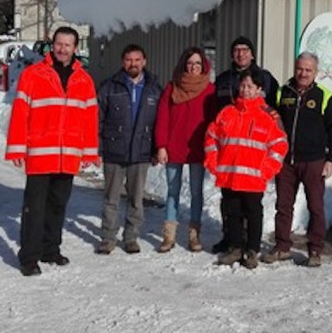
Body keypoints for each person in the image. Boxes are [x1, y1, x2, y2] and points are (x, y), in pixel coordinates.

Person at [5, 26, 98, 276]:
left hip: (68, 156)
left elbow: (90, 119)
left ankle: (50, 249)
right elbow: (20, 113)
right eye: (59, 44)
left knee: (58, 205)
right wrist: (16, 148)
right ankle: (29, 257)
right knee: (34, 207)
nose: (62, 49)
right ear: (52, 44)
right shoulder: (34, 74)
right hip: (39, 153)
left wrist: (89, 152)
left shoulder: (84, 80)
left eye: (68, 45)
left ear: (75, 48)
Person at [262, 52, 332, 268]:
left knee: (315, 206)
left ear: (315, 72)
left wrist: (330, 159)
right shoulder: (282, 92)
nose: (303, 73)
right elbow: (271, 122)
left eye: (308, 70)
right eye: (300, 68)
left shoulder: (324, 96)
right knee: (283, 206)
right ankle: (282, 247)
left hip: (314, 161)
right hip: (286, 161)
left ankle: (315, 250)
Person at [204, 68, 288, 269]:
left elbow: (280, 145)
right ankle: (234, 248)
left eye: (251, 86)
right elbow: (211, 138)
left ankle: (252, 250)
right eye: (243, 85)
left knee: (253, 214)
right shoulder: (227, 112)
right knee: (231, 213)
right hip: (229, 176)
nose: (246, 90)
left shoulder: (268, 116)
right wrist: (214, 163)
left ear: (259, 89)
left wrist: (266, 170)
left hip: (253, 179)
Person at [212, 35, 279, 253]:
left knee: (251, 206)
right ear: (232, 54)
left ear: (252, 53)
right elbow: (213, 116)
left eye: (245, 49)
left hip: (253, 151)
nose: (241, 53)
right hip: (229, 153)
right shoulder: (223, 79)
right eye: (237, 49)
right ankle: (231, 240)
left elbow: (275, 109)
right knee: (229, 204)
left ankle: (251, 246)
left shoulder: (266, 78)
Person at [96, 44, 162, 255]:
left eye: (137, 60)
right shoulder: (109, 87)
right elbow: (97, 119)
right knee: (111, 199)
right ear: (122, 62)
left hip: (141, 152)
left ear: (144, 61)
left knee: (136, 199)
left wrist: (156, 148)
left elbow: (159, 123)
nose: (133, 64)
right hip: (114, 150)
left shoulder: (154, 89)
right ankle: (108, 238)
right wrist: (98, 148)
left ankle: (131, 237)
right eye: (128, 60)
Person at [154, 46, 216, 253]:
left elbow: (214, 122)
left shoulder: (209, 90)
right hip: (174, 147)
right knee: (173, 190)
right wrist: (161, 145)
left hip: (198, 147)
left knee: (196, 192)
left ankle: (194, 233)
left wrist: (212, 146)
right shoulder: (172, 88)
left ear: (203, 66)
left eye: (198, 63)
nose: (193, 67)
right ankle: (169, 234)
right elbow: (162, 118)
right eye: (190, 63)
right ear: (183, 64)